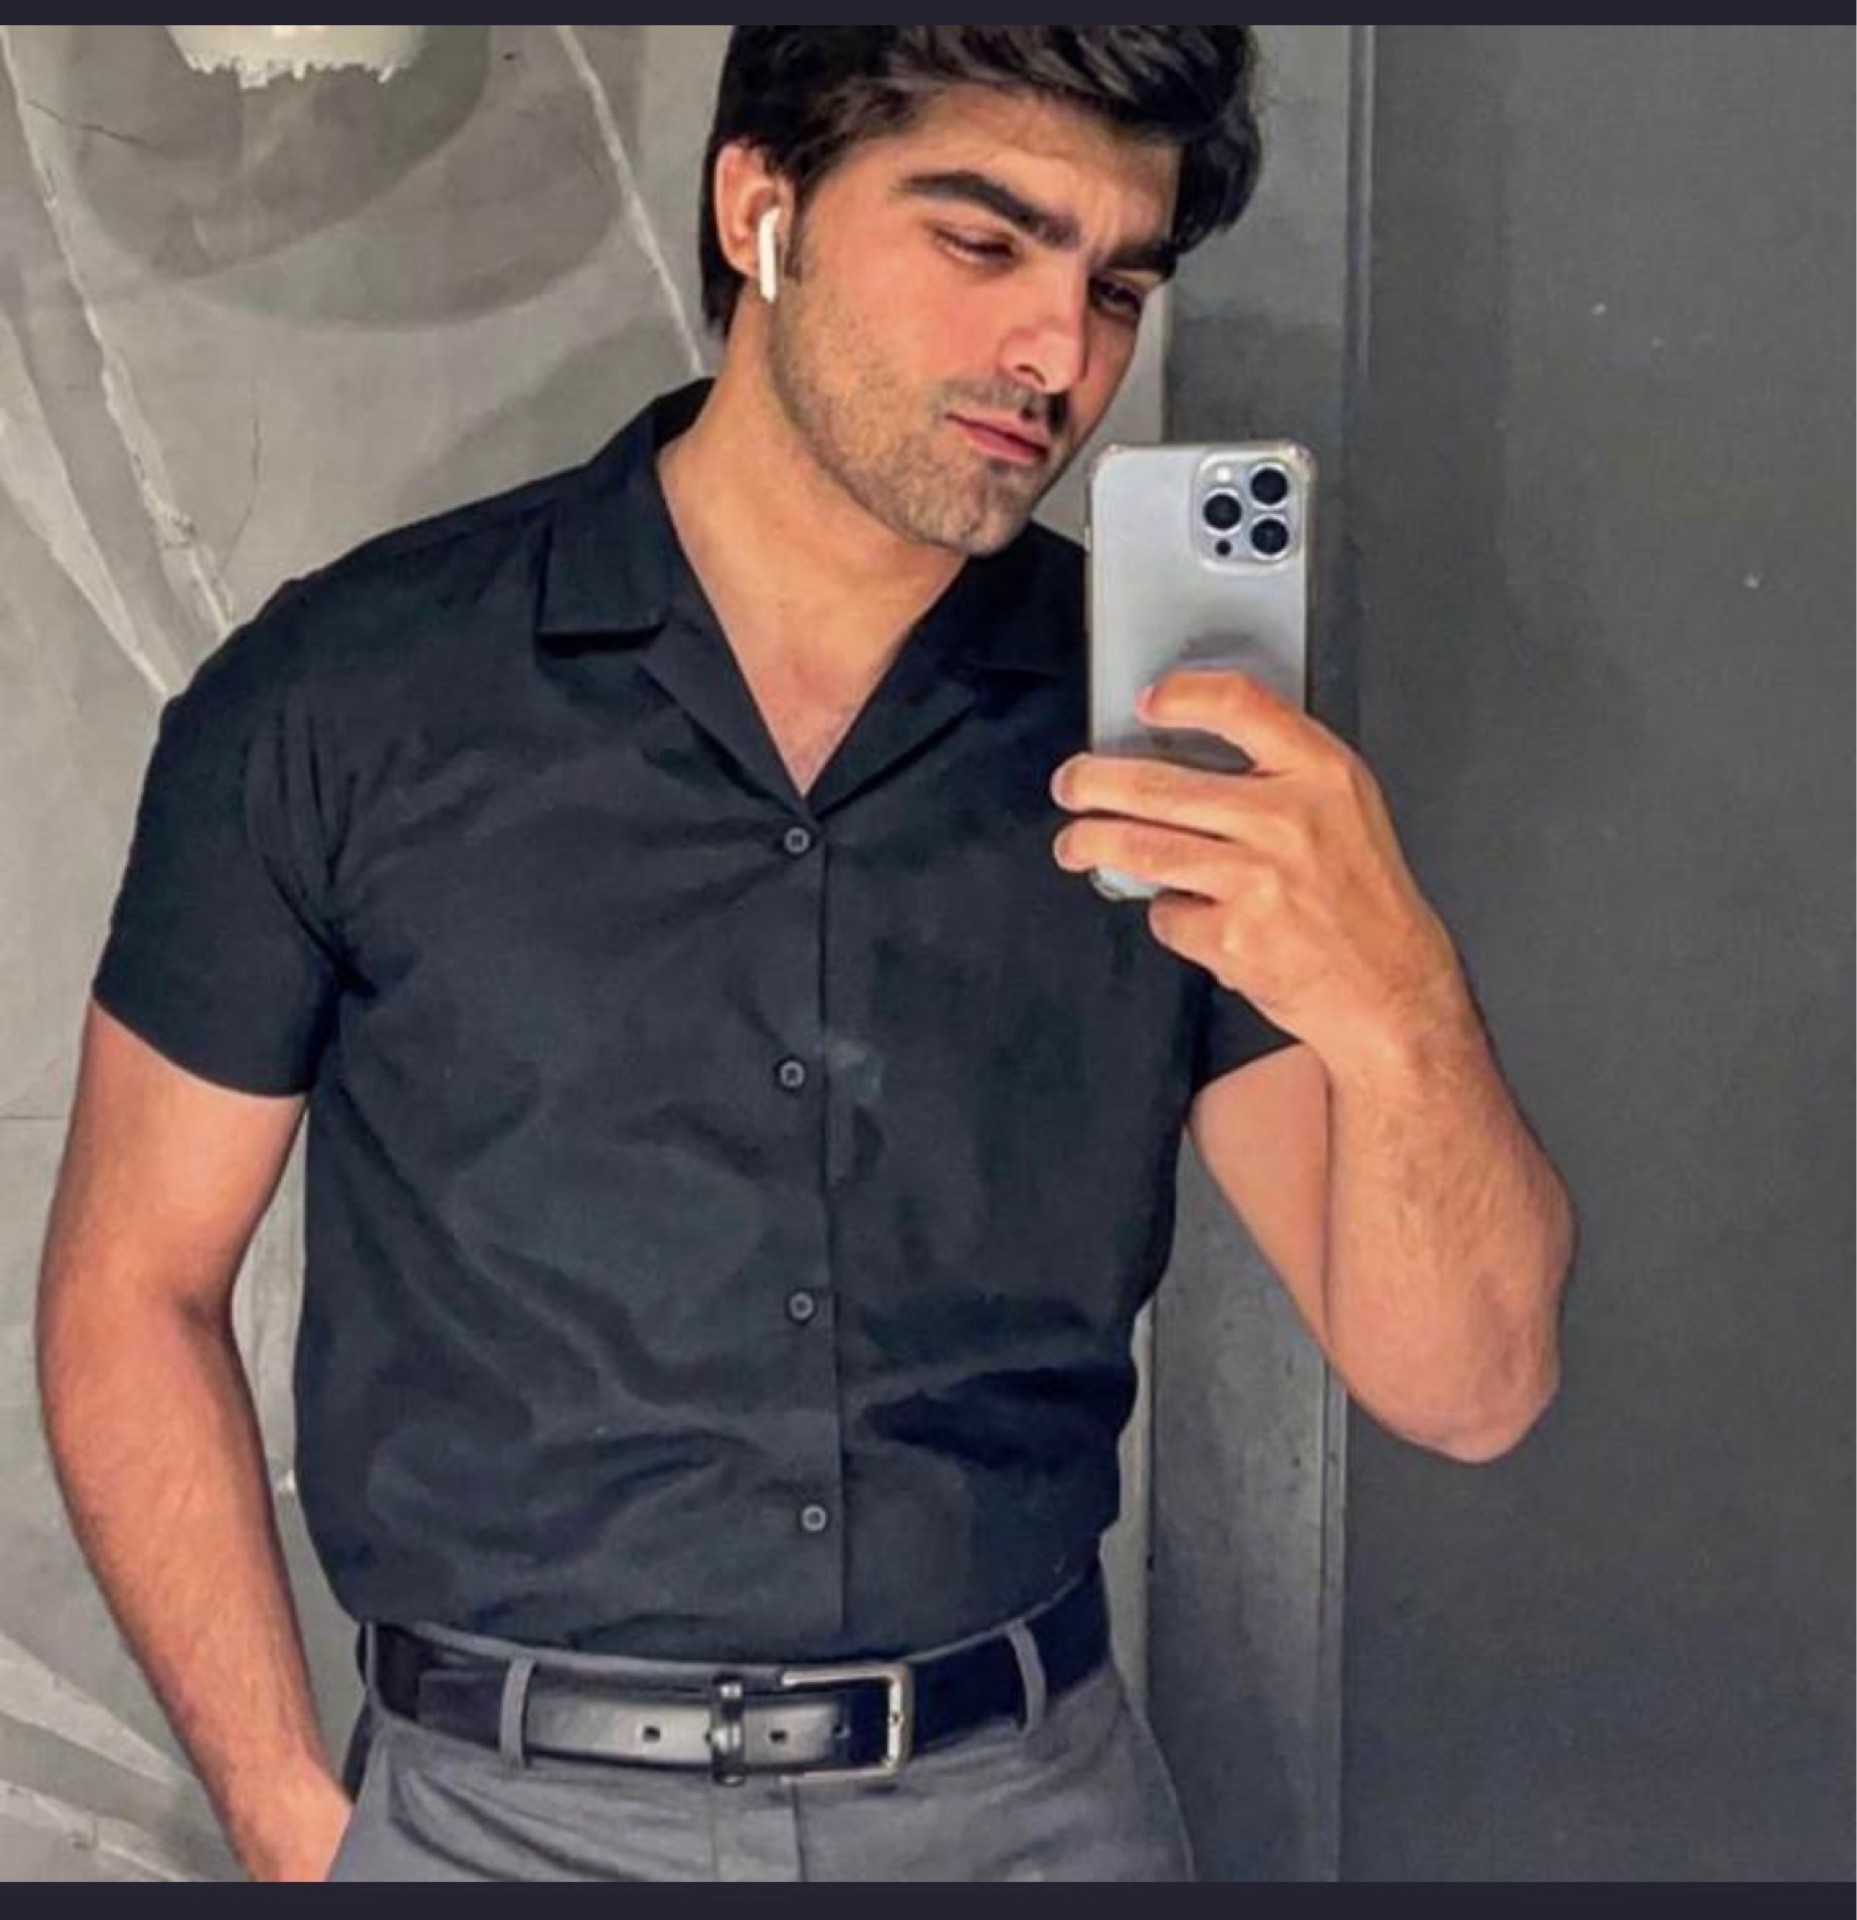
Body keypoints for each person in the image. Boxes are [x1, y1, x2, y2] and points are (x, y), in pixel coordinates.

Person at [35, 27, 1573, 1884]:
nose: (1057, 354)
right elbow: (131, 1288)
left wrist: (1396, 994)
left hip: (1031, 1817)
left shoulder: (1173, 750)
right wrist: (291, 1818)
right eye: (981, 243)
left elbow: (1466, 1386)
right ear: (759, 210)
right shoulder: (343, 700)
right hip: (495, 1826)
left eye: (1115, 286)